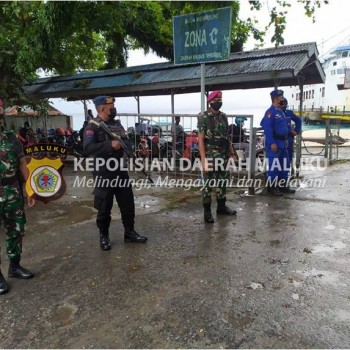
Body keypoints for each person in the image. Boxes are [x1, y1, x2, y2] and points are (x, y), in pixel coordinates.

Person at [83, 96, 147, 250]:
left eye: (113, 105)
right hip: (103, 173)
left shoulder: (117, 125)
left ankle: (129, 232)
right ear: (102, 108)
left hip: (120, 171)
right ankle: (104, 236)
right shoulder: (93, 127)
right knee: (104, 207)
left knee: (128, 204)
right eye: (111, 105)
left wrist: (134, 153)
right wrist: (109, 145)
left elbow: (126, 142)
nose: (114, 108)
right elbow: (87, 149)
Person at [0, 100, 35, 295]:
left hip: (12, 191)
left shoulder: (11, 137)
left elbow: (22, 164)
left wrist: (29, 188)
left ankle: (14, 266)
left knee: (17, 230)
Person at [197, 90, 238, 224]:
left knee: (222, 182)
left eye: (220, 99)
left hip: (223, 155)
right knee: (207, 185)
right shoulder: (203, 117)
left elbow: (227, 137)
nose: (219, 102)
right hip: (209, 155)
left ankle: (221, 207)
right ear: (210, 101)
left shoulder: (224, 117)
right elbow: (201, 140)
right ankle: (207, 212)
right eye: (216, 100)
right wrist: (203, 161)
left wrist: (232, 152)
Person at [260, 89, 295, 196]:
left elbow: (283, 126)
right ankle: (272, 188)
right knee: (274, 166)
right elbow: (267, 128)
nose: (283, 99)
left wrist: (290, 131)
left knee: (285, 165)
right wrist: (272, 143)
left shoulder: (280, 111)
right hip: (275, 142)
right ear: (275, 99)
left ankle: (282, 185)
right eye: (281, 98)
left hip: (283, 142)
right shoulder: (270, 112)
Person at [281, 98, 302, 168]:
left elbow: (299, 120)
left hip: (288, 138)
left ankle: (286, 173)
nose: (283, 106)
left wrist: (296, 130)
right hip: (278, 138)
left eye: (285, 104)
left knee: (288, 157)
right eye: (282, 104)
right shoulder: (274, 113)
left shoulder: (289, 113)